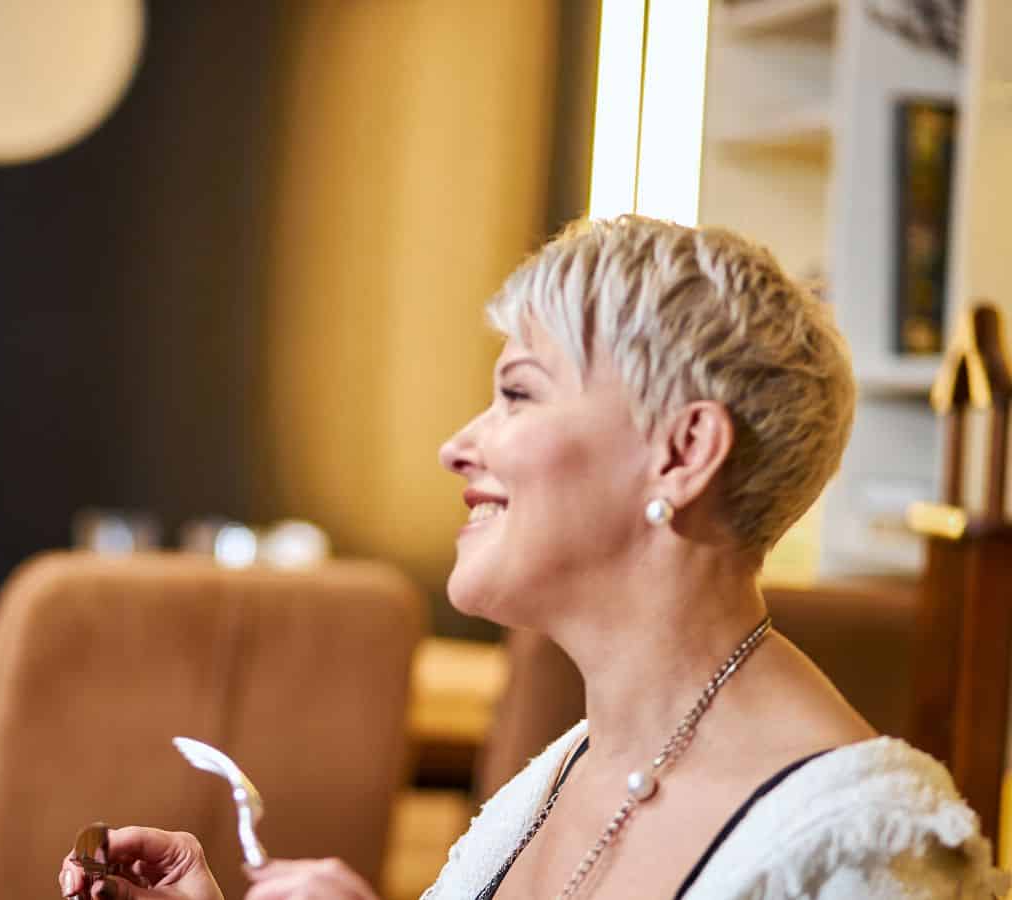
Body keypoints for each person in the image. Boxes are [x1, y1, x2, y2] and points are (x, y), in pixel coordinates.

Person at [55, 216, 1009, 898]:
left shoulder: (864, 850)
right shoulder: (557, 776)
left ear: (682, 452)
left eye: (518, 392)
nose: (457, 445)